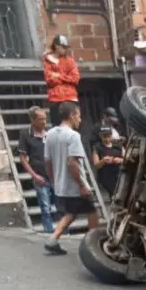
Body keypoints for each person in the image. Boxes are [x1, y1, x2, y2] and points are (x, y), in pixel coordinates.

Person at [43, 101, 94, 255]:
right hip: (75, 184)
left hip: (61, 184)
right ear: (72, 116)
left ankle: (53, 239)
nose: (80, 120)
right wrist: (82, 185)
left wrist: (53, 179)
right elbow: (72, 163)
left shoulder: (50, 134)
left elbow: (47, 161)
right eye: (78, 116)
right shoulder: (73, 136)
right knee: (93, 213)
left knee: (71, 213)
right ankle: (93, 247)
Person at [18, 106, 54, 233]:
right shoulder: (26, 134)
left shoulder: (50, 133)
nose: (44, 122)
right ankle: (49, 234)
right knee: (46, 208)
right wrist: (34, 175)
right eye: (41, 119)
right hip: (40, 176)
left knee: (62, 207)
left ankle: (64, 234)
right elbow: (23, 158)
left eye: (45, 119)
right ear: (33, 120)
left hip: (54, 175)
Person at [43, 35, 79, 126]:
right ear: (56, 46)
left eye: (66, 47)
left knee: (73, 125)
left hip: (70, 98)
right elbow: (49, 80)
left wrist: (59, 76)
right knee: (57, 126)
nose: (65, 49)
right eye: (63, 47)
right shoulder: (48, 61)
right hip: (55, 99)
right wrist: (66, 77)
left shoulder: (70, 61)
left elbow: (75, 78)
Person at [91, 123, 124, 200]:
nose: (107, 139)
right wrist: (103, 160)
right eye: (104, 137)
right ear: (100, 136)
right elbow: (96, 165)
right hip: (106, 177)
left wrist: (120, 160)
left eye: (108, 136)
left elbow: (127, 158)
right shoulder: (97, 147)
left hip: (119, 175)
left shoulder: (118, 146)